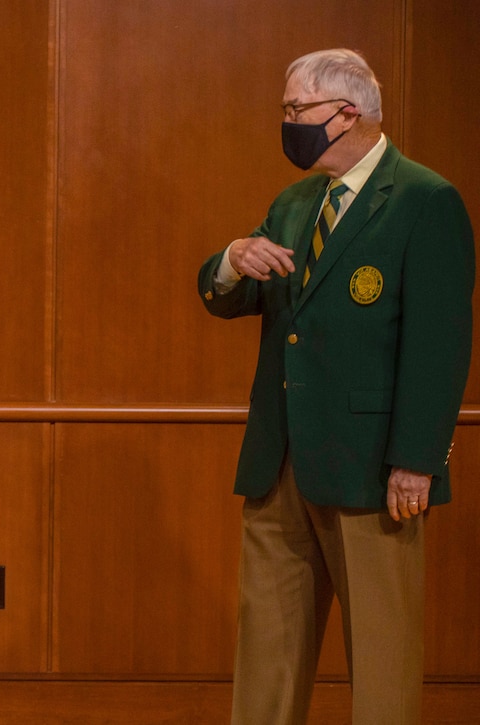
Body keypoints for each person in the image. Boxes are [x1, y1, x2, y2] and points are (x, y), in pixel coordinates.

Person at [198, 49, 474, 724]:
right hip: (281, 461)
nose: (287, 123)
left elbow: (439, 346)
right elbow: (225, 296)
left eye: (297, 111)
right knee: (269, 646)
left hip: (372, 466)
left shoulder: (424, 200)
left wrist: (416, 459)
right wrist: (234, 258)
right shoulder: (294, 203)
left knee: (381, 654)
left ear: (347, 113)